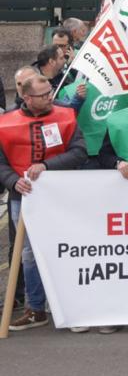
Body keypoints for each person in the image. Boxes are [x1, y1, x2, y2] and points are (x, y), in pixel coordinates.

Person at [0, 74, 87, 331]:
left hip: (60, 196)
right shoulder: (5, 124)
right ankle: (35, 308)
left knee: (66, 249)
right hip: (23, 197)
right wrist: (13, 181)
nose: (50, 97)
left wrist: (47, 166)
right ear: (27, 98)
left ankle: (70, 309)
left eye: (50, 92)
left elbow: (79, 152)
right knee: (29, 253)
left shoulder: (65, 116)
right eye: (43, 94)